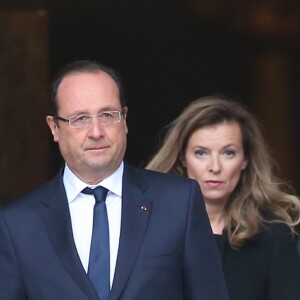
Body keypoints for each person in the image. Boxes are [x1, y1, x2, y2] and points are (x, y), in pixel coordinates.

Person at [0, 61, 229, 300]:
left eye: (108, 115)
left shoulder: (179, 202)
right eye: (80, 119)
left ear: (125, 119)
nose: (96, 132)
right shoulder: (16, 225)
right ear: (54, 128)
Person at [147, 96, 300, 300]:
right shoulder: (149, 230)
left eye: (228, 153)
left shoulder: (274, 236)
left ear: (245, 159)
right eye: (201, 153)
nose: (215, 167)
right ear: (183, 157)